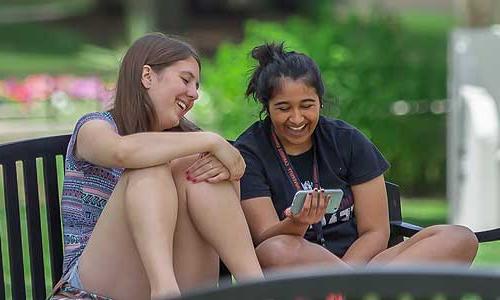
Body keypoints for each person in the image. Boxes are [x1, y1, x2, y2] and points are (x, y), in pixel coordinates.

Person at [50, 33, 263, 300]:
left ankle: (258, 289)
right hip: (90, 289)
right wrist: (211, 140)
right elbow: (122, 153)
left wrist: (227, 163)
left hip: (173, 282)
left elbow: (229, 181)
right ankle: (164, 291)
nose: (194, 93)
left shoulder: (187, 144)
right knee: (149, 165)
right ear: (147, 76)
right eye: (186, 80)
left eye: (196, 85)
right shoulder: (95, 127)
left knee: (200, 170)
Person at [234, 42, 479, 271]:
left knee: (460, 238)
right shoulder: (251, 150)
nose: (297, 119)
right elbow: (263, 236)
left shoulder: (346, 140)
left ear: (320, 101)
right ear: (267, 107)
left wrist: (349, 277)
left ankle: (350, 291)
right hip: (299, 267)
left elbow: (375, 231)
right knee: (275, 249)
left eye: (307, 105)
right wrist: (298, 223)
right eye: (284, 108)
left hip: (364, 266)